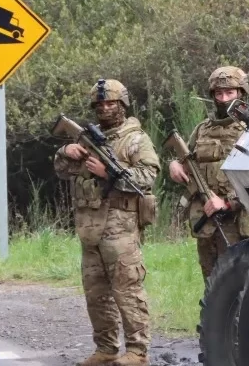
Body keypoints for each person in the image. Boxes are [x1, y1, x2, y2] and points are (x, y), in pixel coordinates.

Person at [53, 79, 159, 366]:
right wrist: (67, 152)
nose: (105, 108)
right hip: (90, 228)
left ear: (122, 105)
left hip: (121, 227)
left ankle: (138, 351)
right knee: (96, 293)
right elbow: (62, 170)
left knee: (128, 290)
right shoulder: (86, 139)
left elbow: (148, 176)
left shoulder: (135, 139)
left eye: (111, 103)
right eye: (100, 104)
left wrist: (108, 172)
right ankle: (106, 348)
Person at [167, 66, 249, 280]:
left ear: (241, 93)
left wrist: (228, 203)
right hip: (207, 223)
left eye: (230, 93)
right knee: (211, 283)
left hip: (240, 223)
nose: (224, 99)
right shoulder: (202, 129)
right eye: (219, 93)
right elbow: (186, 158)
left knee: (241, 284)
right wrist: (174, 165)